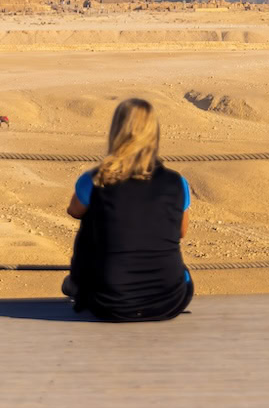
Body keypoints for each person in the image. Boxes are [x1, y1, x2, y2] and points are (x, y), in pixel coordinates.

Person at [62, 98, 193, 322]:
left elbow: (74, 211)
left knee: (90, 215)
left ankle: (79, 281)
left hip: (109, 303)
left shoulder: (95, 180)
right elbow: (180, 231)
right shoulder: (177, 182)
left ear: (116, 131)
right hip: (170, 301)